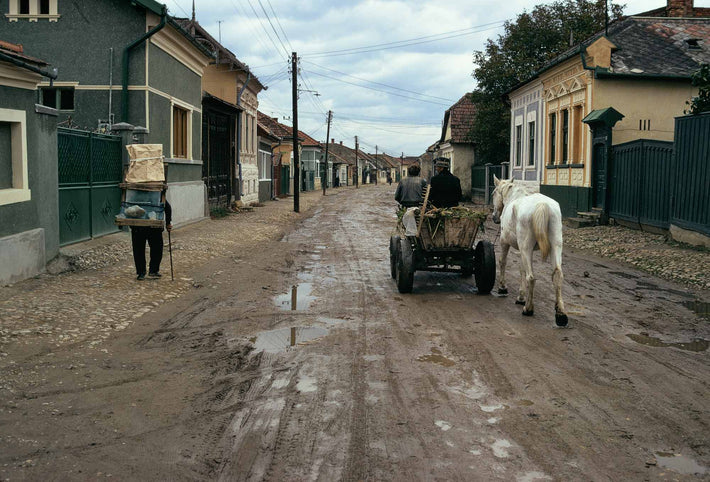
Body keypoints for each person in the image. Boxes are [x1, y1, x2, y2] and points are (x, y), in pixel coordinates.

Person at [131, 199, 172, 280]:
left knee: (139, 250)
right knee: (156, 249)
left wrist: (168, 222)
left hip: (140, 227)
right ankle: (152, 271)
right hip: (152, 227)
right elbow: (168, 208)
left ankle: (142, 272)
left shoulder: (136, 195)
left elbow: (167, 207)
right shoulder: (157, 193)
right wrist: (168, 223)